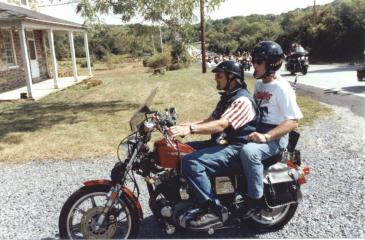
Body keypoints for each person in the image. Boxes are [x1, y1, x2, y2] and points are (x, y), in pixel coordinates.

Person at [168, 61, 258, 230]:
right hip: (221, 142)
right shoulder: (228, 97)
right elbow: (210, 121)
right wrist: (182, 127)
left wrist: (190, 129)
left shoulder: (242, 101)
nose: (216, 78)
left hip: (236, 148)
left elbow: (220, 125)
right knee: (180, 151)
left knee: (191, 161)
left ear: (232, 78)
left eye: (219, 75)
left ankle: (213, 209)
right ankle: (186, 197)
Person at [238, 41, 303, 217]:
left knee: (250, 153)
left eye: (258, 61)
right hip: (258, 129)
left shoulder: (282, 88)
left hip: (275, 136)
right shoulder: (260, 84)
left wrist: (266, 137)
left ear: (271, 64)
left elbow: (293, 121)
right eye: (253, 61)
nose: (254, 65)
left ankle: (255, 199)